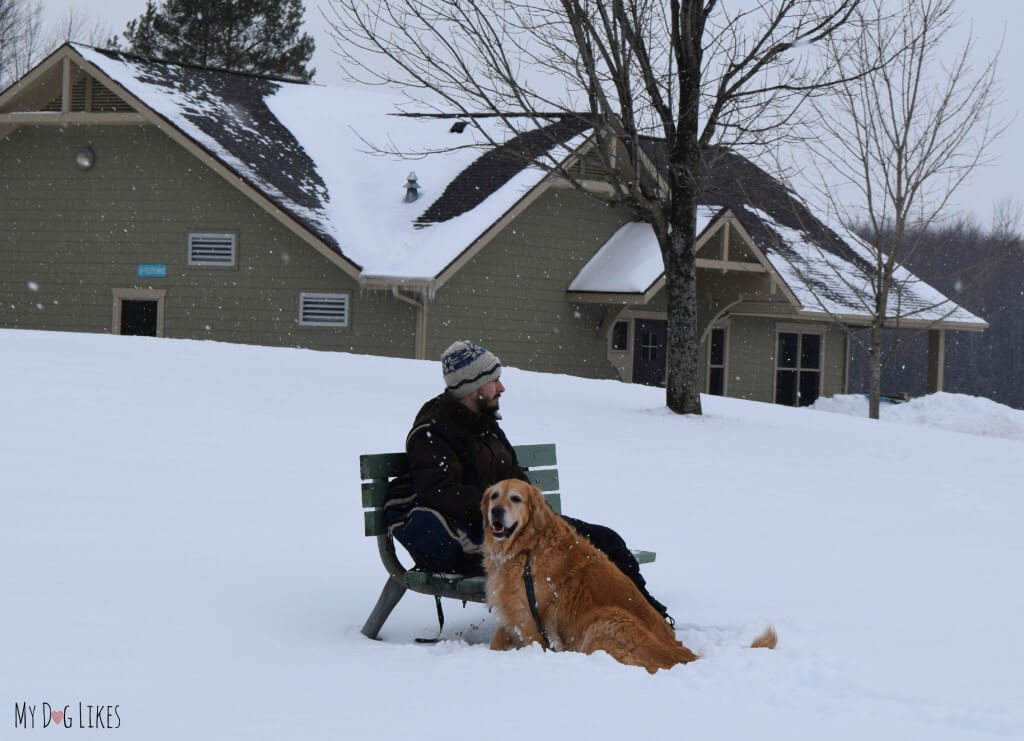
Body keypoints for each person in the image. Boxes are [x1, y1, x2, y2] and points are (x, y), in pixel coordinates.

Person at [385, 339, 672, 622]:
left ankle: (647, 612)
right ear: (473, 387)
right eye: (494, 380)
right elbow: (439, 492)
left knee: (604, 540)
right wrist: (503, 509)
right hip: (477, 536)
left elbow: (515, 476)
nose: (501, 387)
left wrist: (537, 515)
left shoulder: (484, 425)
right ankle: (624, 617)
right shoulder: (433, 432)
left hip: (510, 528)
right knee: (568, 555)